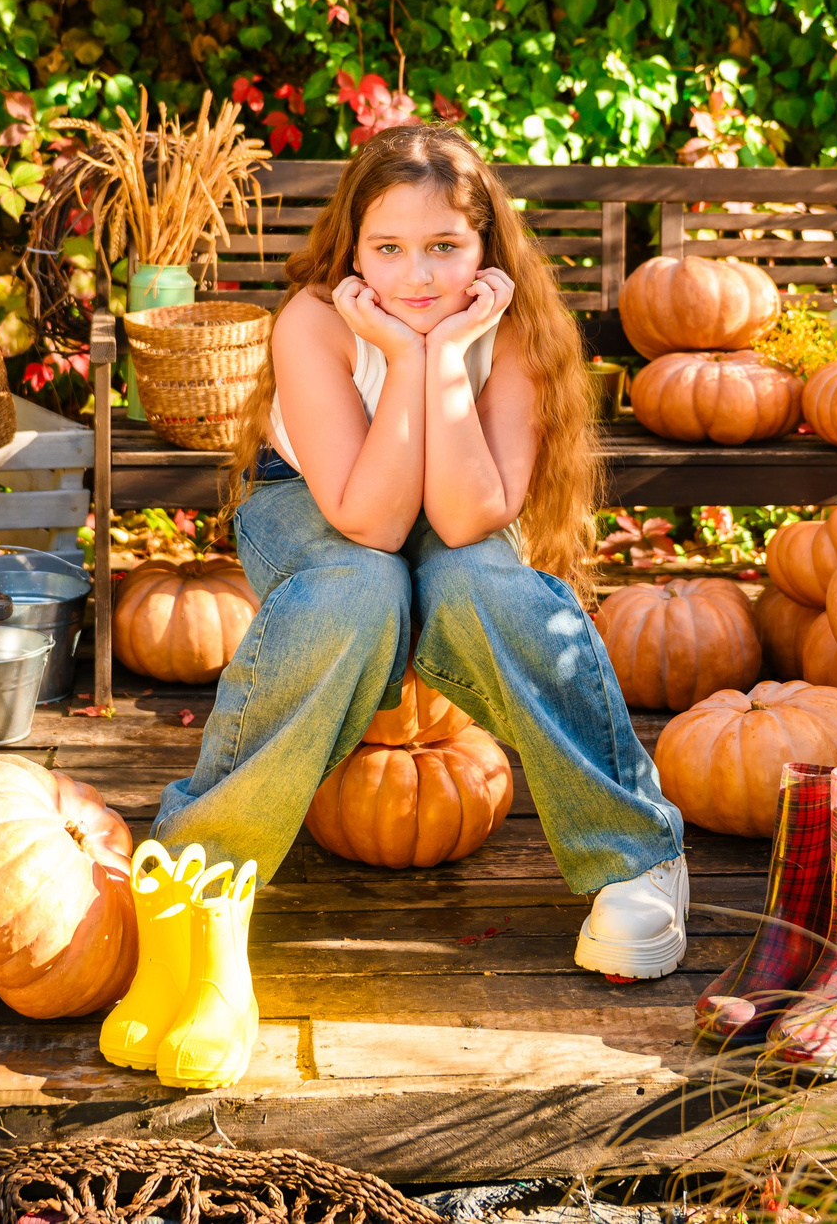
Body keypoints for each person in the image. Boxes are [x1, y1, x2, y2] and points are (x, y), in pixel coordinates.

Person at [151, 123, 691, 978]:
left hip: (457, 507)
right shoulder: (314, 322)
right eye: (390, 247)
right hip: (316, 502)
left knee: (487, 586)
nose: (419, 274)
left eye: (445, 245)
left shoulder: (512, 330)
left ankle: (637, 858)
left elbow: (471, 514)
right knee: (356, 591)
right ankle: (195, 872)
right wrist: (404, 357)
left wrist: (442, 363)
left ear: (485, 246)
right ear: (354, 250)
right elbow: (368, 520)